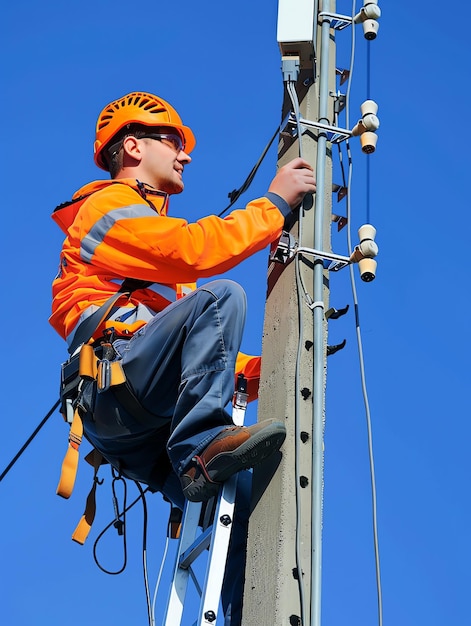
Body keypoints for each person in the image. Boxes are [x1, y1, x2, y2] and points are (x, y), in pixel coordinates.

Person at [50, 91, 316, 624]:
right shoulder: (109, 211)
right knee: (222, 297)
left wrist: (273, 369)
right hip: (117, 385)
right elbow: (197, 249)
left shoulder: (146, 245)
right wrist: (276, 204)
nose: (185, 154)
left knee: (242, 509)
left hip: (137, 423)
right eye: (172, 141)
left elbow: (189, 347)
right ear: (132, 147)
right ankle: (200, 447)